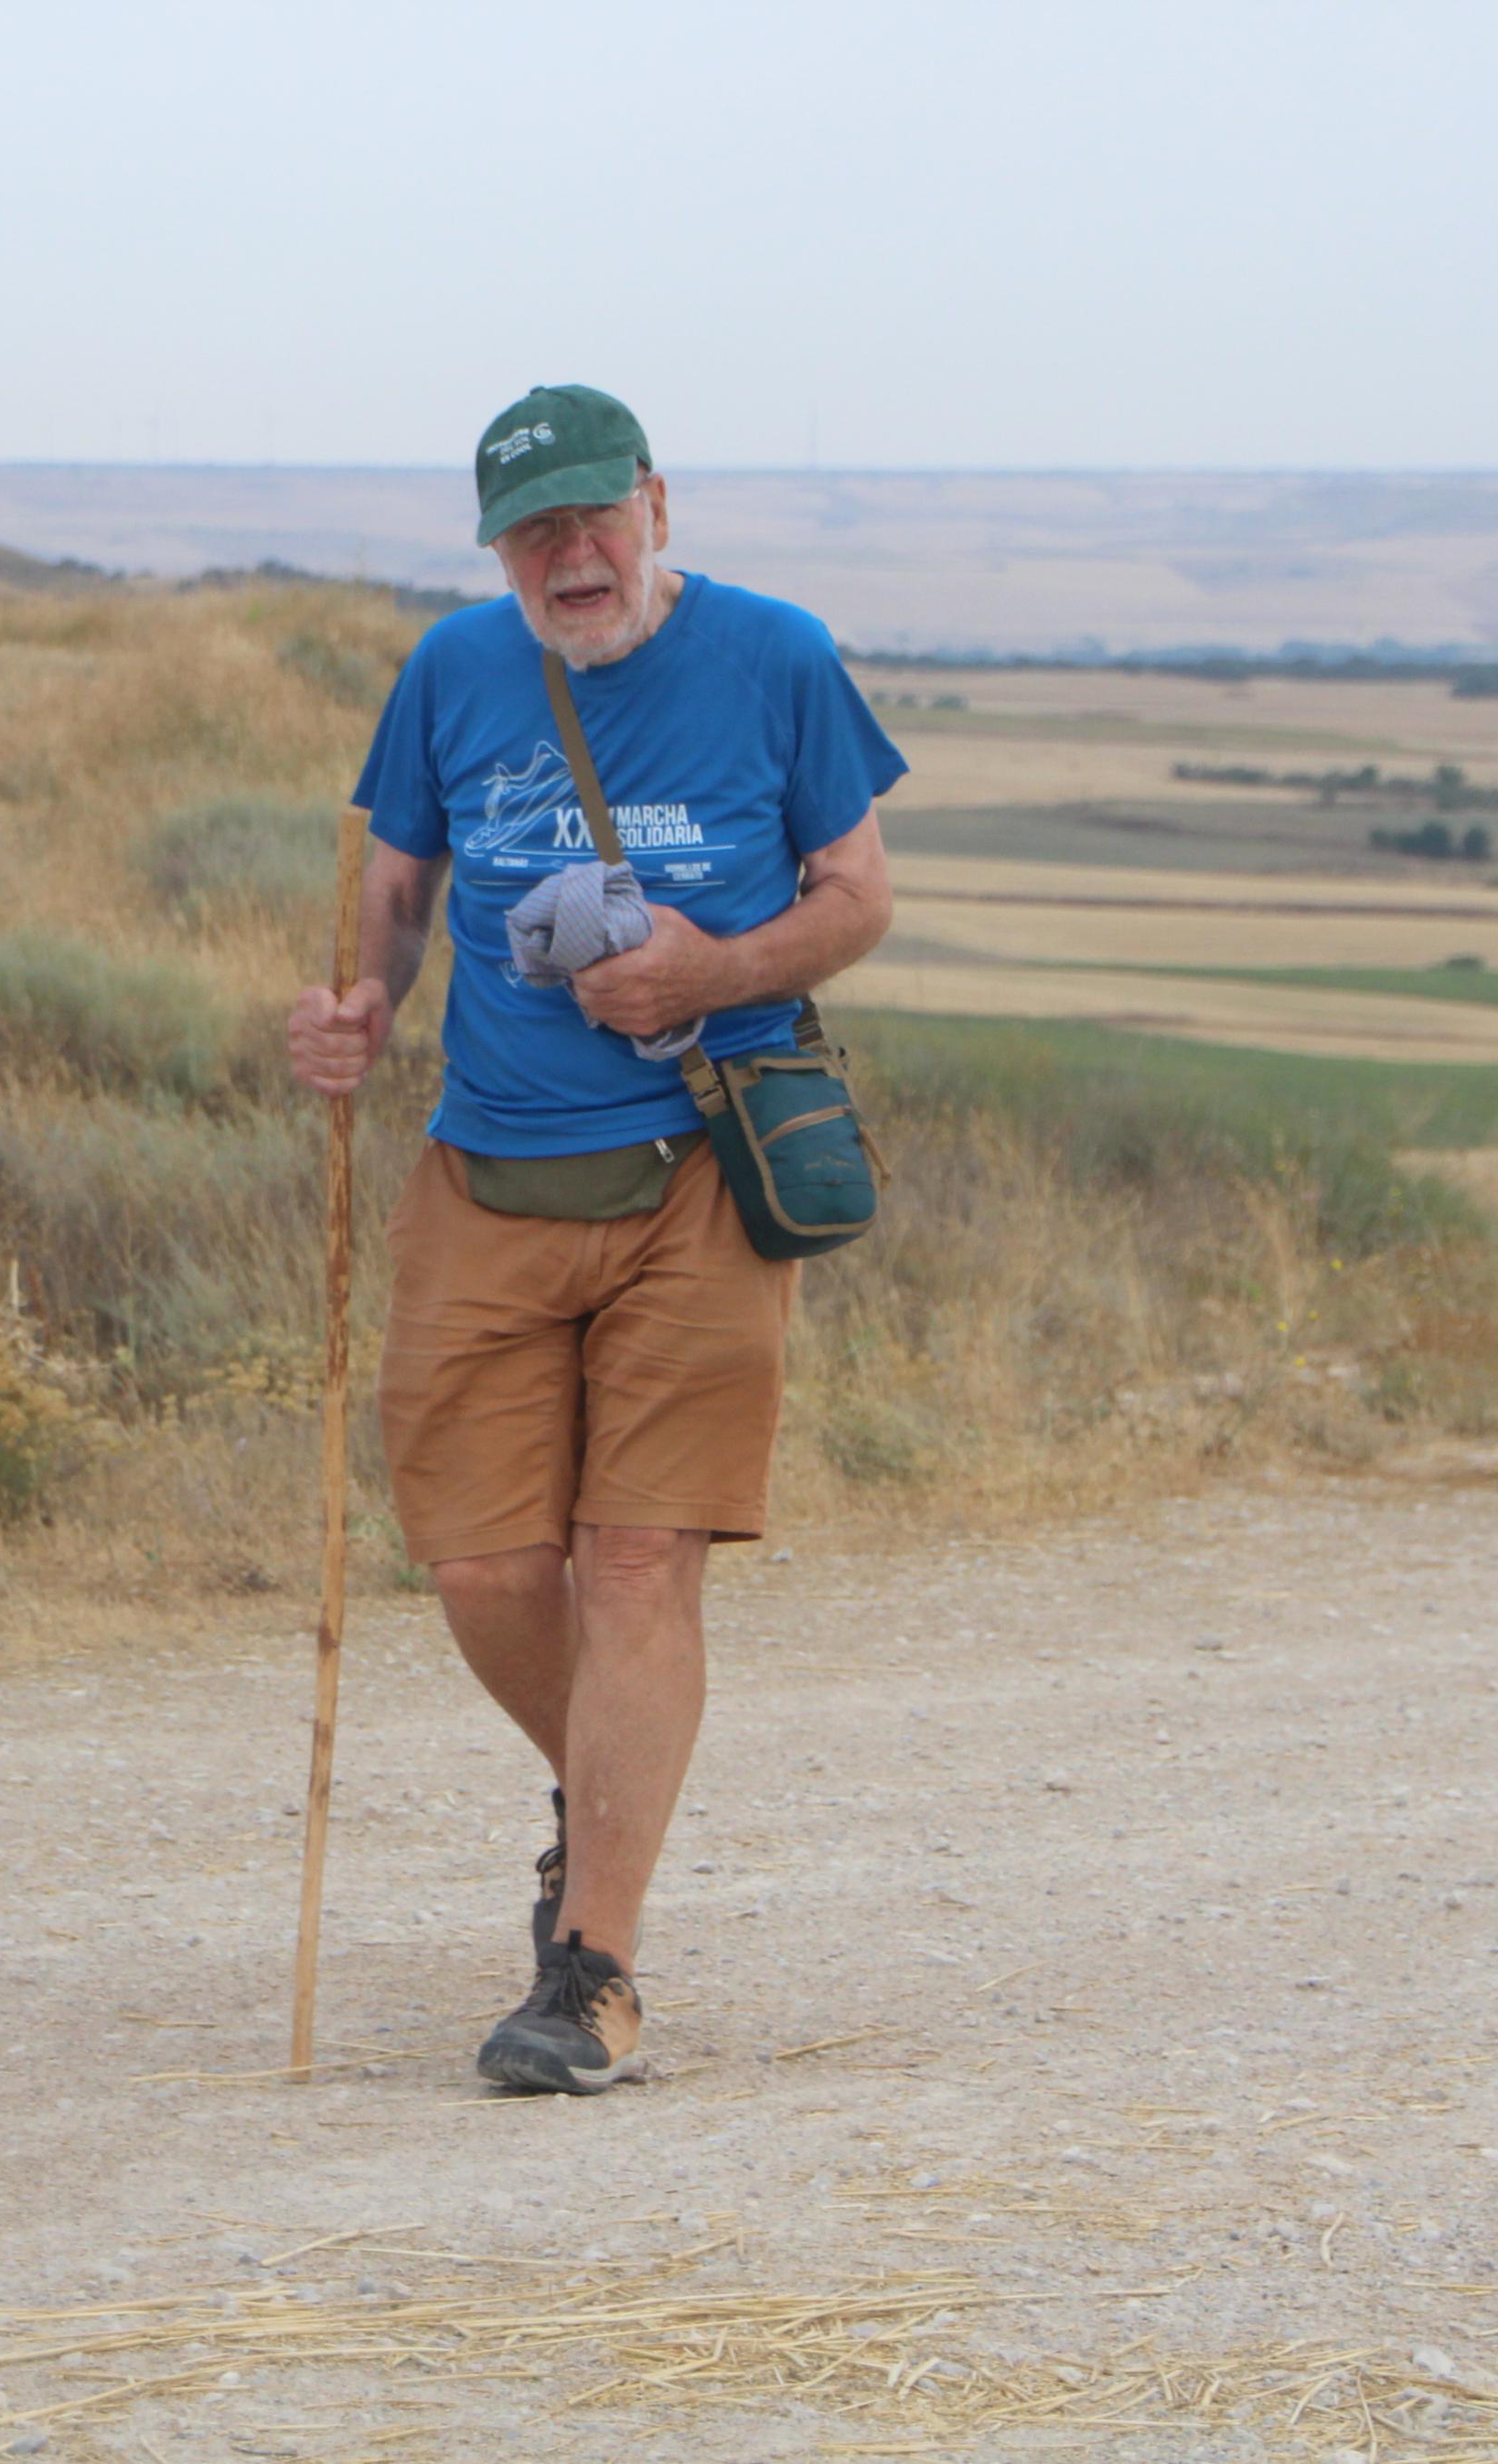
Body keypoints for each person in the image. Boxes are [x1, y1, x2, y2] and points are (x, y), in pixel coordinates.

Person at [284, 385, 904, 2093]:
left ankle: (593, 1970)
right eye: (532, 530)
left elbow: (857, 895)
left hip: (698, 1176)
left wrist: (714, 969)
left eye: (592, 516)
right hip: (481, 1177)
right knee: (485, 1565)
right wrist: (355, 1006)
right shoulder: (451, 675)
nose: (571, 555)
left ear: (655, 504)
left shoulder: (777, 657)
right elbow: (396, 896)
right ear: (499, 548)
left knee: (635, 1560)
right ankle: (601, 1787)